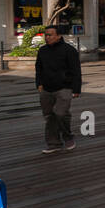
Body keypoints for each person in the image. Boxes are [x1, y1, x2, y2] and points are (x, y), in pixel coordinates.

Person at [35, 25, 81, 153]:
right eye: (46, 35)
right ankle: (54, 143)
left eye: (50, 35)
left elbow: (76, 71)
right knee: (49, 116)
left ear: (59, 36)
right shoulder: (42, 50)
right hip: (46, 89)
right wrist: (39, 84)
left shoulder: (69, 50)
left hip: (64, 87)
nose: (47, 37)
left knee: (61, 113)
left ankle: (68, 136)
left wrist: (76, 89)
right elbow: (38, 68)